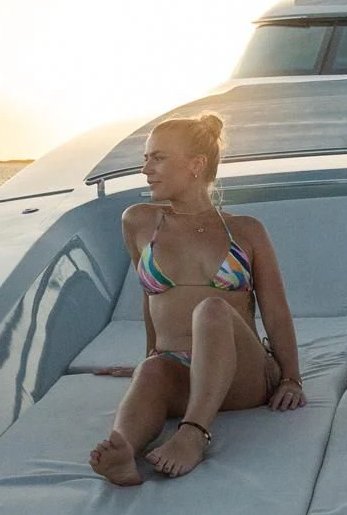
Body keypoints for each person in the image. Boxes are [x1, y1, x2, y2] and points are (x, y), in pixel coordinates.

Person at [88, 113, 305, 482]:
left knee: (211, 310)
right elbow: (151, 301)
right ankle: (123, 450)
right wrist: (147, 359)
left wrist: (292, 379)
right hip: (178, 370)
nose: (145, 170)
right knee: (154, 370)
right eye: (146, 159)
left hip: (244, 376)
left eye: (157, 158)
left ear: (195, 165)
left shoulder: (246, 230)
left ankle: (193, 433)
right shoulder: (138, 221)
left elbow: (276, 312)